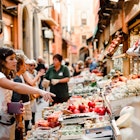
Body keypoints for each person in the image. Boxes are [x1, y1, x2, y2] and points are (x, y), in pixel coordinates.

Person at [0, 47, 55, 140]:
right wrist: (40, 91)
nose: (15, 61)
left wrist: (16, 111)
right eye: (11, 59)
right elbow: (16, 87)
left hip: (7, 119)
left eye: (15, 58)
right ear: (2, 62)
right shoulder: (1, 76)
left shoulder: (8, 76)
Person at [11, 53, 32, 138]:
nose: (26, 67)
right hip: (16, 118)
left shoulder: (18, 77)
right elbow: (16, 101)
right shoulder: (17, 79)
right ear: (20, 65)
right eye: (24, 64)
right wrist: (19, 121)